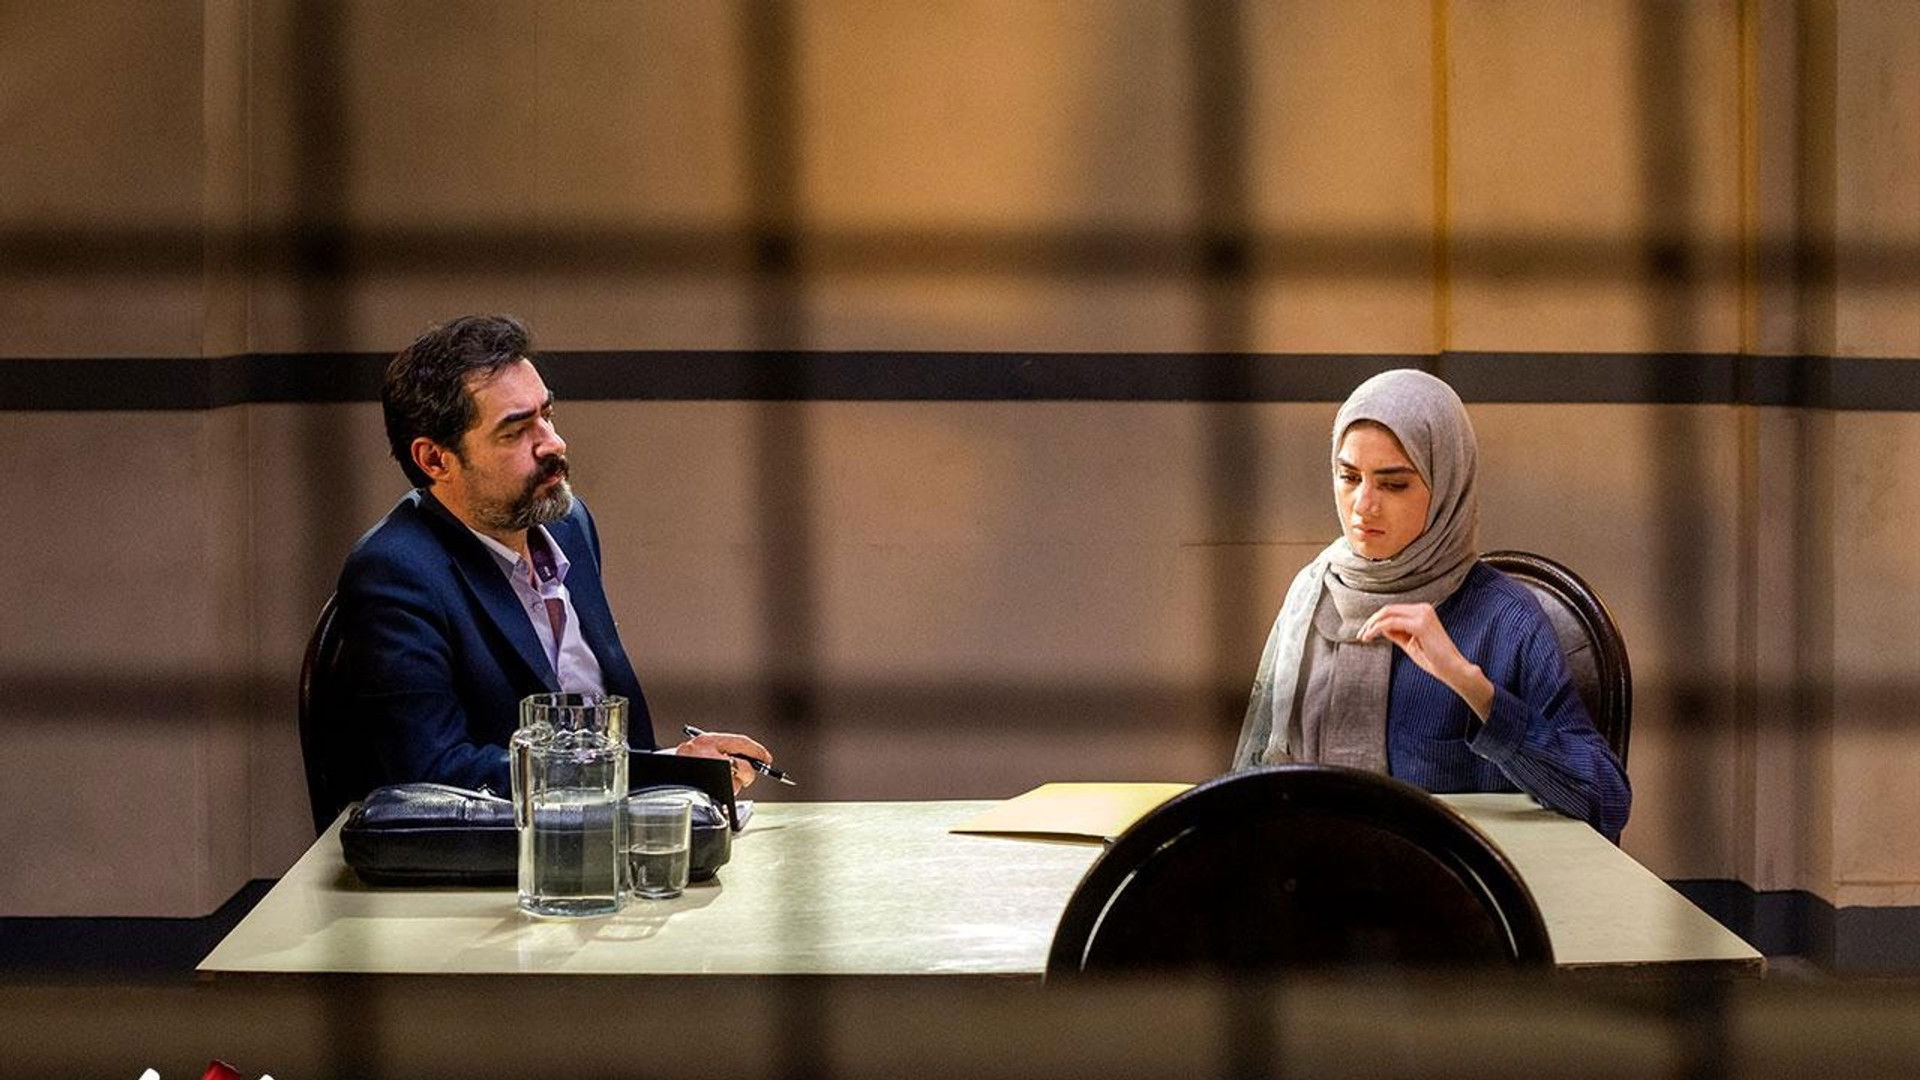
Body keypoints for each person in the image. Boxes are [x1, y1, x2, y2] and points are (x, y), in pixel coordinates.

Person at [333, 313, 771, 800]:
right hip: (499, 843)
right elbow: (433, 773)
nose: (553, 443)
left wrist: (673, 767)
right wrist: (649, 776)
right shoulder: (394, 571)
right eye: (515, 431)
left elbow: (608, 740)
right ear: (435, 459)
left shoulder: (569, 523)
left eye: (547, 415)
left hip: (605, 827)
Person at [1232, 369, 1630, 840]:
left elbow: (1604, 801)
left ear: (1446, 486)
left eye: (1394, 484)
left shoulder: (1507, 620)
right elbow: (1255, 783)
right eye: (1349, 477)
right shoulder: (1312, 597)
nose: (1363, 505)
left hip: (1458, 879)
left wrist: (1473, 688)